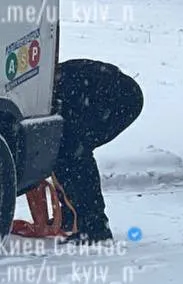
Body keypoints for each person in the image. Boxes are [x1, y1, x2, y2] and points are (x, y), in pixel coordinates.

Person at [51, 58, 143, 243]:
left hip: (121, 99)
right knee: (65, 153)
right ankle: (72, 217)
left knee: (74, 154)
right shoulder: (52, 83)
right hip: (102, 94)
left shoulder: (58, 88)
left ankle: (95, 228)